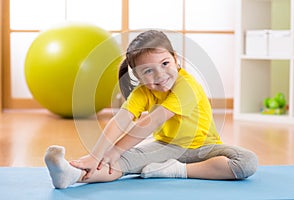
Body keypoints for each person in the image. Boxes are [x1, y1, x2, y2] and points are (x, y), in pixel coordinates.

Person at [44, 30, 258, 189]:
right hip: (165, 147)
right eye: (148, 70)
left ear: (176, 60)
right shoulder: (143, 92)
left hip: (204, 149)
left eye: (165, 64)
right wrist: (97, 154)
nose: (159, 75)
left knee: (247, 162)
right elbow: (120, 121)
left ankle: (176, 171)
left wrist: (116, 149)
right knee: (120, 163)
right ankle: (71, 175)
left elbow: (152, 121)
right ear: (137, 75)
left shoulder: (188, 86)